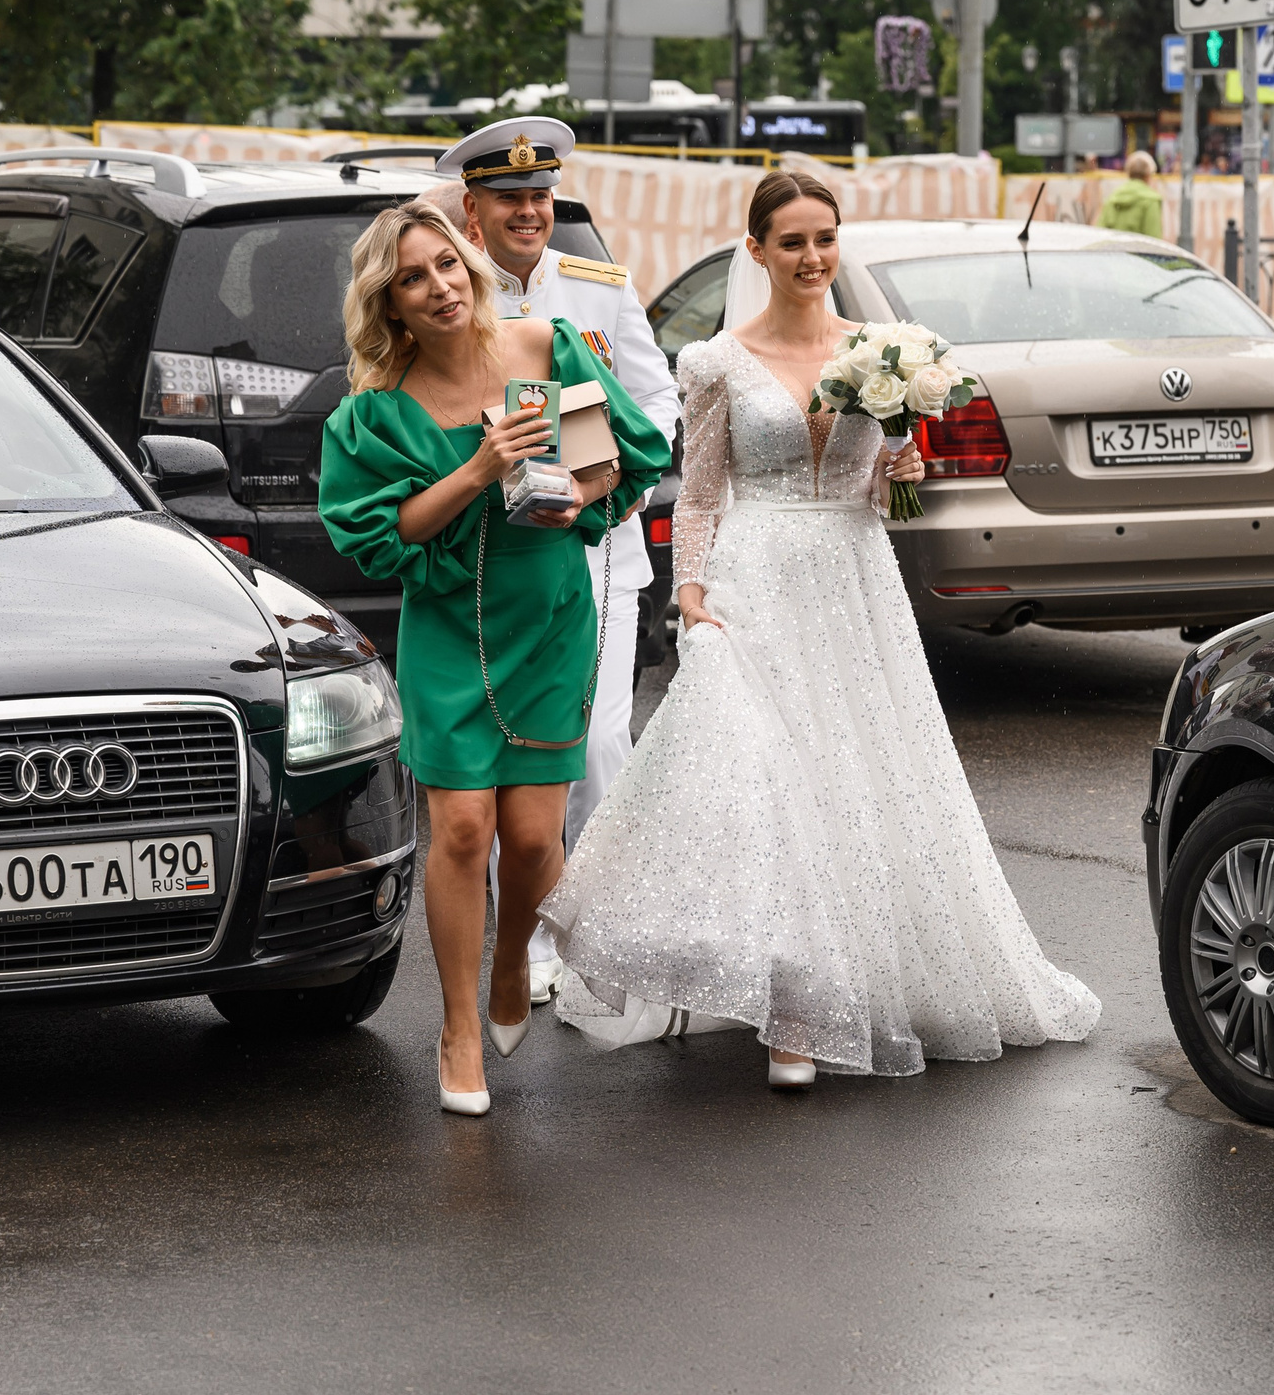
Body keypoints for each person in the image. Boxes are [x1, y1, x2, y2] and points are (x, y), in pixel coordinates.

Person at [540, 170, 1103, 1089]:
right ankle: (792, 1013)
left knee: (857, 776)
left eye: (825, 239)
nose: (812, 257)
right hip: (753, 577)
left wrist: (902, 465)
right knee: (765, 782)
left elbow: (886, 498)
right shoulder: (718, 360)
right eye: (792, 241)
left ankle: (835, 986)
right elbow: (702, 491)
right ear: (756, 251)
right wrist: (690, 594)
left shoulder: (882, 353)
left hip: (850, 579)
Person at [318, 202, 668, 1116]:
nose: (438, 287)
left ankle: (515, 956)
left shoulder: (545, 349)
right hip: (446, 625)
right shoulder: (377, 413)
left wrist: (572, 495)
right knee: (464, 827)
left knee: (533, 840)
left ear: (470, 267)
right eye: (411, 278)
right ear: (387, 305)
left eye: (446, 265)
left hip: (548, 611)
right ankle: (458, 1026)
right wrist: (478, 468)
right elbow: (382, 536)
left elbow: (610, 465)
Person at [426, 117, 683, 1006]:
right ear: (474, 208)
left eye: (540, 197)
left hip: (595, 546)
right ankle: (525, 941)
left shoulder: (595, 286)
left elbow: (653, 398)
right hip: (492, 561)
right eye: (510, 199)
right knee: (504, 754)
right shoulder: (450, 290)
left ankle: (591, 933)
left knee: (597, 742)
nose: (529, 212)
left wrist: (610, 487)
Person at [1097, 151, 1167, 237]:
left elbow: (1100, 231)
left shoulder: (1113, 197)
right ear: (1148, 176)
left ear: (1128, 174)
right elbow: (1153, 237)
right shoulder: (1151, 200)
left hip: (1115, 249)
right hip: (1137, 250)